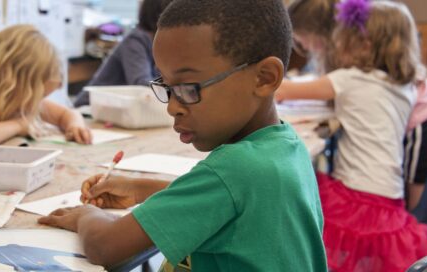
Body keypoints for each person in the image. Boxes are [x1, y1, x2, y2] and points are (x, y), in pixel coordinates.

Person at [39, 0, 327, 270]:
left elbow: (106, 246)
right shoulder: (285, 146)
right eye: (167, 87)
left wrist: (85, 216)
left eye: (189, 88)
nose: (173, 108)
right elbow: (233, 200)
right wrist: (140, 188)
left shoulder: (235, 169)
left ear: (264, 78)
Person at [276, 1, 427, 270]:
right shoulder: (405, 86)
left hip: (356, 197)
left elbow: (283, 90)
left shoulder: (350, 79)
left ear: (364, 45)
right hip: (390, 199)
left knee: (299, 193)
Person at [73, 0, 173, 107]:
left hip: (120, 111)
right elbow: (141, 85)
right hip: (89, 109)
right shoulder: (135, 40)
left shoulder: (157, 42)